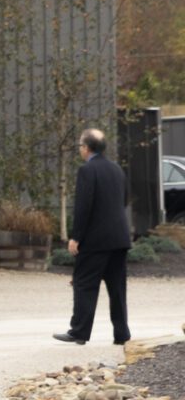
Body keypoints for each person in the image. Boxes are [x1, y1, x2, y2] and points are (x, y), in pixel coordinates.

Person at [57, 127, 133, 347]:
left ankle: (79, 331)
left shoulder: (87, 171)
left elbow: (84, 206)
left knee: (84, 284)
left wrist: (76, 237)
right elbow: (125, 200)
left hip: (95, 240)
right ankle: (122, 333)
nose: (80, 150)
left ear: (86, 148)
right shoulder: (117, 169)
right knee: (117, 288)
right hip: (119, 238)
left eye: (81, 145)